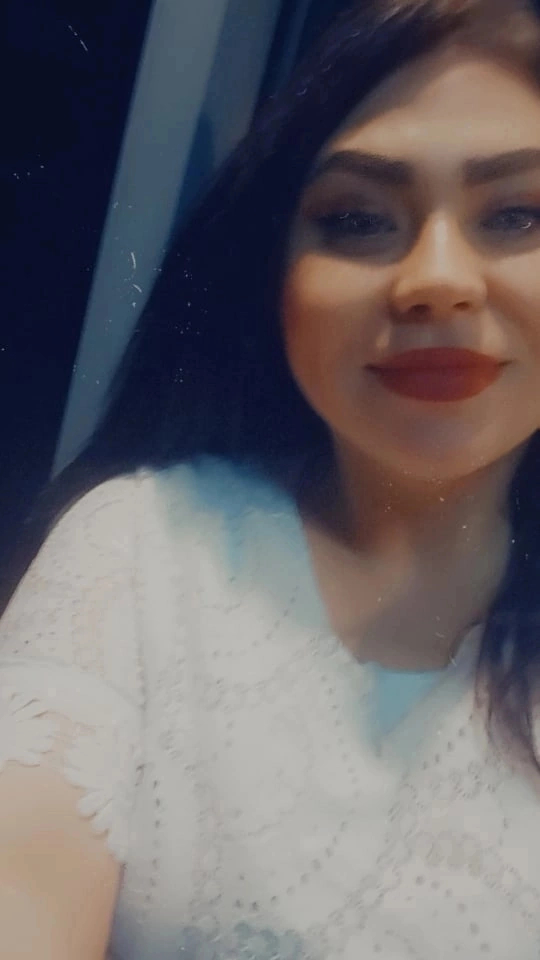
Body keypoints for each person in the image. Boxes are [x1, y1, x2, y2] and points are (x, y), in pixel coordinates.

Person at [3, 0, 540, 955]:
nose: (437, 278)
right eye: (357, 220)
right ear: (272, 275)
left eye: (517, 213)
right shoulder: (142, 552)